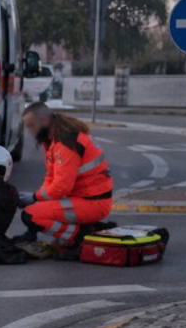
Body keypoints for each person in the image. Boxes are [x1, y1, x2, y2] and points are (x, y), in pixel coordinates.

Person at [15, 102, 113, 251]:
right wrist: (37, 198)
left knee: (30, 215)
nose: (30, 132)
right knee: (35, 209)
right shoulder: (55, 139)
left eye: (31, 126)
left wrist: (34, 198)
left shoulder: (65, 144)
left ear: (44, 121)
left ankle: (80, 236)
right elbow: (50, 178)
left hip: (92, 203)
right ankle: (84, 228)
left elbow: (61, 187)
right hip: (90, 199)